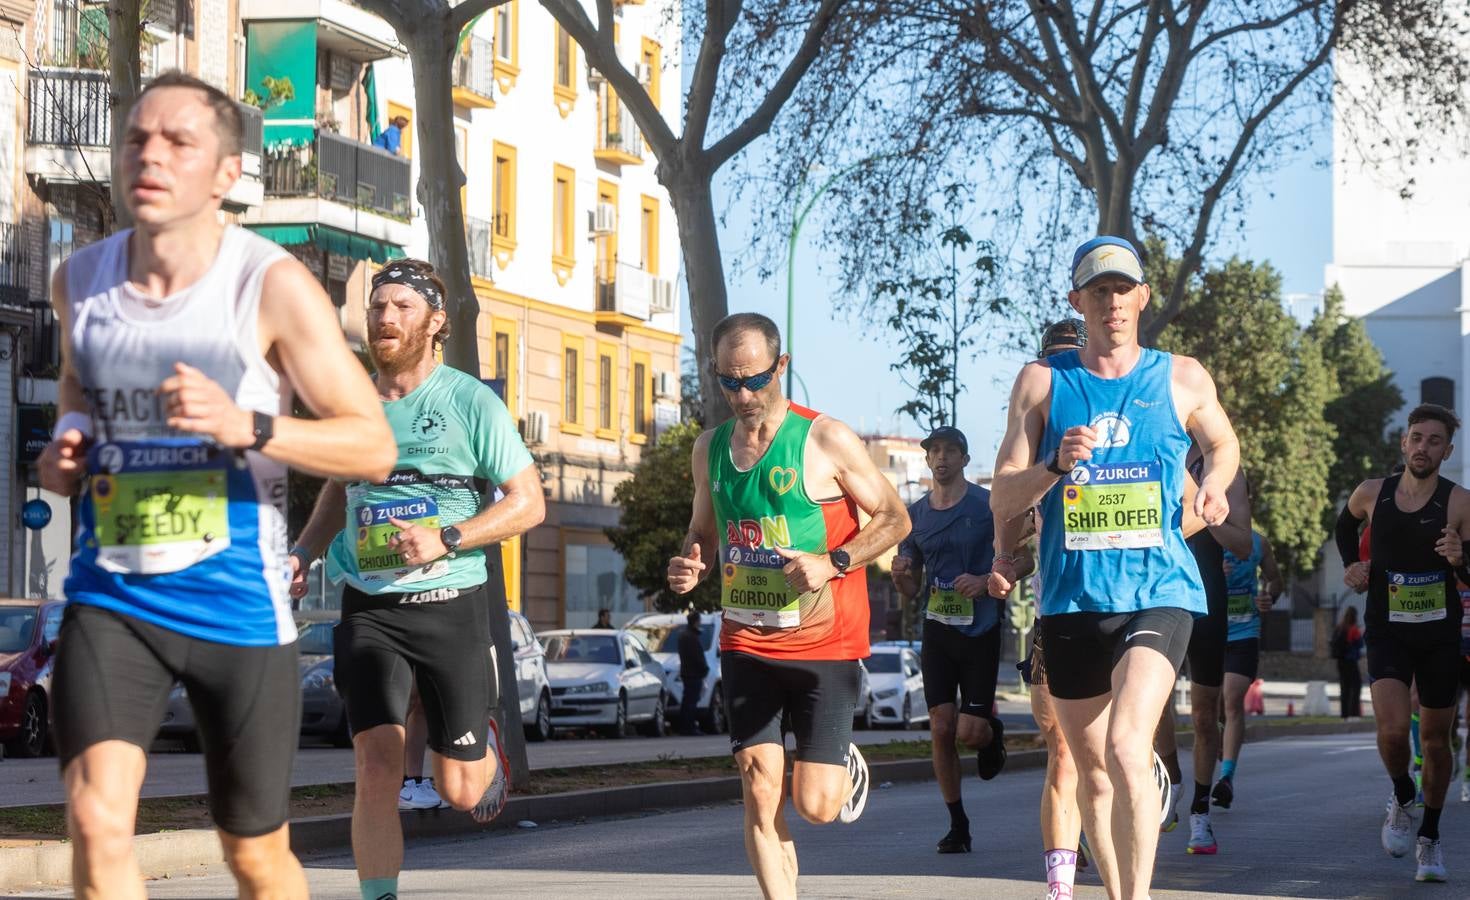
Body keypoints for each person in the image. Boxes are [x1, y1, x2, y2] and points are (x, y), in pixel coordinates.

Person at [39, 71, 397, 900]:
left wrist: (252, 428)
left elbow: (372, 446)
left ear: (226, 174)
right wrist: (65, 443)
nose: (150, 157)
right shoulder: (79, 279)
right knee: (95, 823)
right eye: (136, 139)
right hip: (113, 595)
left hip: (238, 606)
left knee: (255, 857)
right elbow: (75, 390)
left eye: (178, 143)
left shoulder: (267, 285)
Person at [991, 236, 1239, 900]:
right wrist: (1053, 467)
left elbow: (1222, 441)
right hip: (1071, 602)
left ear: (1143, 298)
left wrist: (1214, 483)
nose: (1113, 303)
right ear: (1078, 302)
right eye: (1098, 291)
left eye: (1123, 289)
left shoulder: (1181, 377)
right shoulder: (1042, 383)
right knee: (1092, 769)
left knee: (1131, 745)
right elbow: (1005, 496)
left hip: (1159, 589)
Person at [290, 258, 546, 900]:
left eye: (402, 307)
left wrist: (447, 536)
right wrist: (304, 553)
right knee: (375, 765)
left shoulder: (468, 401)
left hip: (450, 603)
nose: (384, 317)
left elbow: (529, 503)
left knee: (460, 790)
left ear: (435, 323)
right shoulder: (350, 399)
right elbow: (338, 488)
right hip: (370, 606)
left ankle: (480, 739)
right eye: (378, 306)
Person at [666, 312, 910, 900]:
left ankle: (838, 766)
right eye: (728, 382)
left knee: (815, 806)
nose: (743, 395)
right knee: (757, 782)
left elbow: (895, 518)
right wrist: (687, 563)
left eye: (754, 380)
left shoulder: (825, 438)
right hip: (747, 638)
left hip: (825, 644)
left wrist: (835, 562)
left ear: (782, 367)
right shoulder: (710, 449)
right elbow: (701, 530)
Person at [1336, 403, 1468, 883]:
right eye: (1417, 437)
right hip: (1387, 627)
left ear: (1446, 451)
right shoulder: (1373, 493)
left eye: (1434, 441)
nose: (1423, 447)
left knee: (1435, 742)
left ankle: (1430, 839)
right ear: (1404, 442)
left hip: (1438, 634)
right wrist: (1354, 563)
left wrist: (1460, 561)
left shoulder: (1460, 502)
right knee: (1392, 733)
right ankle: (1401, 792)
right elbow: (1343, 526)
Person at [989, 318, 1098, 899]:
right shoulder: (1033, 449)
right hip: (1058, 613)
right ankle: (1060, 882)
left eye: (1070, 362)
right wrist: (1007, 565)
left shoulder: (1120, 423)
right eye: (1051, 363)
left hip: (1128, 609)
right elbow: (1009, 522)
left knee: (1107, 751)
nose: (1059, 374)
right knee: (1061, 745)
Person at [891, 424, 1018, 855]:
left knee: (969, 732)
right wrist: (901, 576)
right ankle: (957, 824)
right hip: (938, 632)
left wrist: (986, 580)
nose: (941, 457)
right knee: (942, 728)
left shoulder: (989, 506)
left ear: (964, 459)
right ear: (927, 460)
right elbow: (910, 590)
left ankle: (990, 733)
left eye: (950, 451)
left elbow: (1026, 559)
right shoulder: (914, 517)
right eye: (934, 451)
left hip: (980, 631)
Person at [1211, 528, 1283, 810]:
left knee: (1231, 699)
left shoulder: (1258, 543)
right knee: (1213, 707)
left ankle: (1226, 777)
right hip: (1211, 633)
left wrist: (1269, 596)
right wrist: (1212, 573)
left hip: (1245, 632)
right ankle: (1218, 738)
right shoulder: (1205, 538)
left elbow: (1275, 580)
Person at [678, 611, 711, 735]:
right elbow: (697, 657)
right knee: (691, 702)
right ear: (696, 621)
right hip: (693, 674)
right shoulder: (690, 637)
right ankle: (688, 727)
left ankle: (685, 726)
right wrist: (704, 669)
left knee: (688, 701)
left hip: (688, 673)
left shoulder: (685, 635)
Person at [1332, 605, 1365, 719]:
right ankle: (1354, 713)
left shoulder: (1340, 627)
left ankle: (1344, 714)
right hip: (1350, 661)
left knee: (1344, 687)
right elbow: (1360, 644)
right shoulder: (1353, 629)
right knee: (1356, 686)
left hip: (1340, 661)